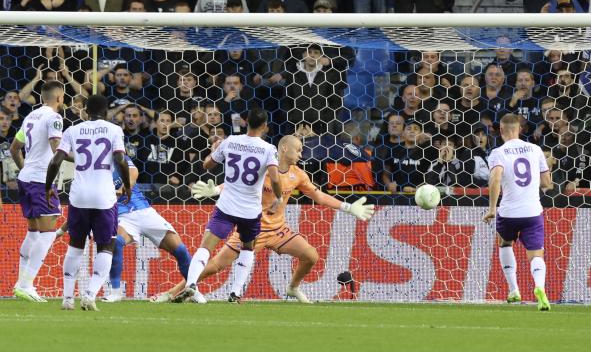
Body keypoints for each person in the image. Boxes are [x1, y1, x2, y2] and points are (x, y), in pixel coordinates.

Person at [152, 135, 374, 303]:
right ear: (284, 148)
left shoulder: (298, 174)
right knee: (214, 266)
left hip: (279, 230)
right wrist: (216, 191)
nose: (301, 153)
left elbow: (318, 195)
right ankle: (173, 292)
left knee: (311, 256)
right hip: (253, 227)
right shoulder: (265, 167)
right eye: (298, 149)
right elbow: (235, 184)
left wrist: (348, 207)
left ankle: (293, 288)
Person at [174, 108, 283, 302]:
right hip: (250, 210)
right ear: (265, 126)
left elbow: (207, 165)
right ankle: (235, 293)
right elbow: (274, 177)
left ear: (245, 122)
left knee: (206, 247)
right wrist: (279, 197)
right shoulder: (268, 148)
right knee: (248, 248)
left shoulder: (230, 141)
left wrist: (214, 151)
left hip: (226, 206)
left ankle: (191, 283)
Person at [45, 94, 131, 311]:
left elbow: (56, 159)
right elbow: (120, 159)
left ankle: (66, 298)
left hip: (79, 195)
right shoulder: (114, 130)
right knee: (106, 246)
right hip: (104, 195)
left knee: (75, 244)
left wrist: (48, 186)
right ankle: (90, 294)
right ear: (106, 112)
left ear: (85, 110)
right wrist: (128, 186)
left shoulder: (72, 130)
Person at [483, 113, 553, 311]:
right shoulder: (536, 149)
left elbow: (495, 179)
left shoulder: (498, 152)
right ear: (520, 129)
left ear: (501, 131)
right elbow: (547, 183)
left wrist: (491, 209)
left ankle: (514, 290)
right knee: (536, 255)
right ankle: (539, 288)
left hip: (508, 212)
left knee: (505, 244)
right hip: (532, 211)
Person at [9, 81, 65, 303]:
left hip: (26, 179)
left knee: (33, 232)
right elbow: (56, 148)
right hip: (42, 180)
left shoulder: (30, 116)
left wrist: (26, 170)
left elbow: (14, 148)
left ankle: (21, 285)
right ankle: (26, 284)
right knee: (49, 233)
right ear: (59, 98)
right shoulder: (55, 118)